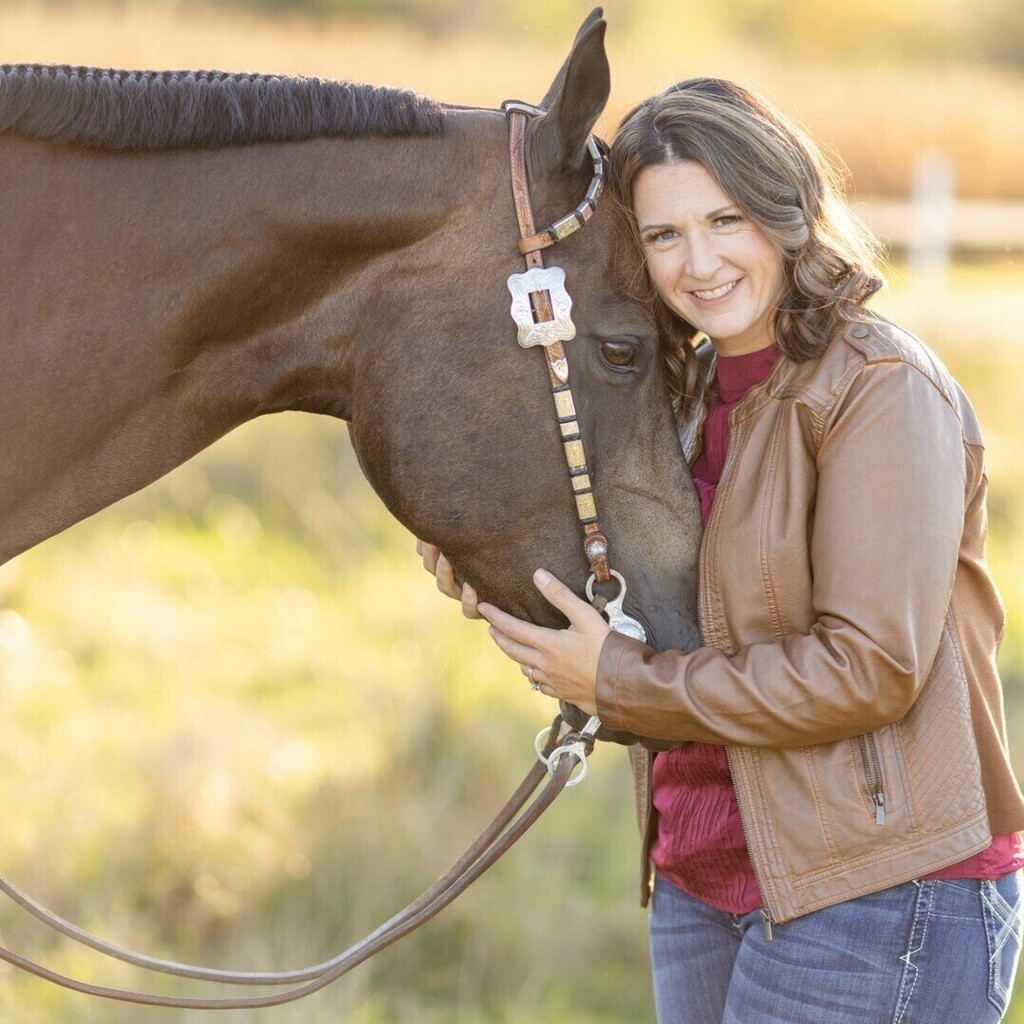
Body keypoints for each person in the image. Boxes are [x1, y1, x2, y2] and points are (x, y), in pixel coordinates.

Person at [418, 77, 1024, 1023]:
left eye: (725, 219)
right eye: (663, 235)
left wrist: (620, 681)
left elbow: (870, 669)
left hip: (877, 890)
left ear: (784, 213)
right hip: (702, 876)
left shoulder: (880, 387)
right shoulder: (681, 394)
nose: (697, 262)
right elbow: (651, 605)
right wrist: (496, 572)